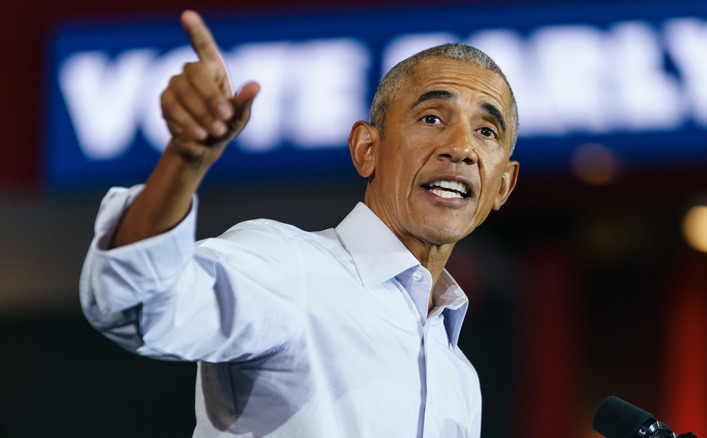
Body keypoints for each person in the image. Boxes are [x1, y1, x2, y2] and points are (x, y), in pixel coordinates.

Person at [80, 9, 519, 437]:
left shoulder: (460, 377)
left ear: (503, 186)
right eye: (431, 118)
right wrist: (183, 160)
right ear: (367, 149)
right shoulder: (288, 267)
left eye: (486, 131)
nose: (461, 147)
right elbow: (137, 302)